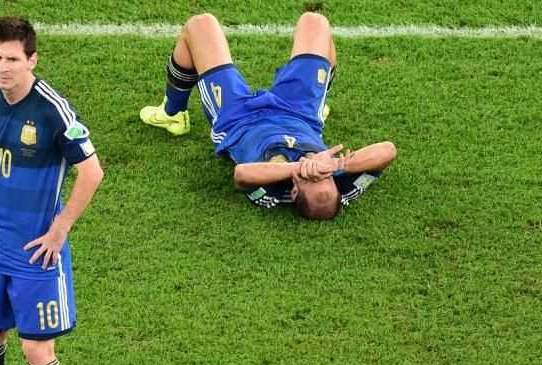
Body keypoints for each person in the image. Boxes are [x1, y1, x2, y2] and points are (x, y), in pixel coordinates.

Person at [140, 12, 396, 220]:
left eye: (312, 177)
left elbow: (242, 175)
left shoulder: (274, 193)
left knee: (200, 25)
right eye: (325, 177)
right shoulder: (338, 187)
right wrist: (338, 166)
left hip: (238, 119)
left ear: (294, 192)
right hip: (299, 113)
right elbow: (388, 150)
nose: (319, 173)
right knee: (315, 23)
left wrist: (298, 167)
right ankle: (320, 105)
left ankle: (172, 114)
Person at [0, 16, 103, 365]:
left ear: (32, 60)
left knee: (36, 349)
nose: (2, 67)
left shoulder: (52, 110)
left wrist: (58, 232)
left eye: (12, 59)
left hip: (36, 252)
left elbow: (92, 173)